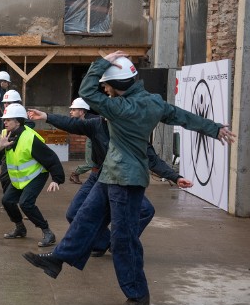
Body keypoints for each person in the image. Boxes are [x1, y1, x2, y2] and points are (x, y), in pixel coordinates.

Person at [22, 52, 236, 305]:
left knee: (123, 239)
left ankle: (137, 294)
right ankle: (58, 259)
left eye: (107, 85)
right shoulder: (153, 102)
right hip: (110, 174)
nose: (105, 89)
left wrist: (102, 61)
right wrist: (215, 128)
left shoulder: (121, 108)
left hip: (125, 179)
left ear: (119, 85)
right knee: (85, 218)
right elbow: (181, 116)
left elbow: (87, 91)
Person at [27, 106, 193, 257]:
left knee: (146, 210)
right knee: (73, 213)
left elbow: (152, 159)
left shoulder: (134, 133)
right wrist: (46, 116)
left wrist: (175, 177)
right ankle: (103, 243)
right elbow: (71, 123)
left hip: (121, 180)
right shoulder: (96, 125)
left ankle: (120, 243)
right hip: (98, 177)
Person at [0, 104, 65, 246]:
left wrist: (56, 179)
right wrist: (0, 147)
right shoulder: (4, 134)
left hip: (36, 175)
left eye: (8, 120)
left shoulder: (31, 138)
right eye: (4, 120)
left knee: (26, 203)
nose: (5, 122)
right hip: (19, 178)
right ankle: (20, 228)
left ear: (18, 121)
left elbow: (51, 158)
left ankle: (47, 232)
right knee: (7, 201)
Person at [66, 98, 96, 184]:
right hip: (92, 140)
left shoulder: (91, 119)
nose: (70, 112)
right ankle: (76, 173)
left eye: (73, 110)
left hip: (96, 140)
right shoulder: (84, 119)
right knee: (91, 164)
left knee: (95, 163)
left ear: (81, 111)